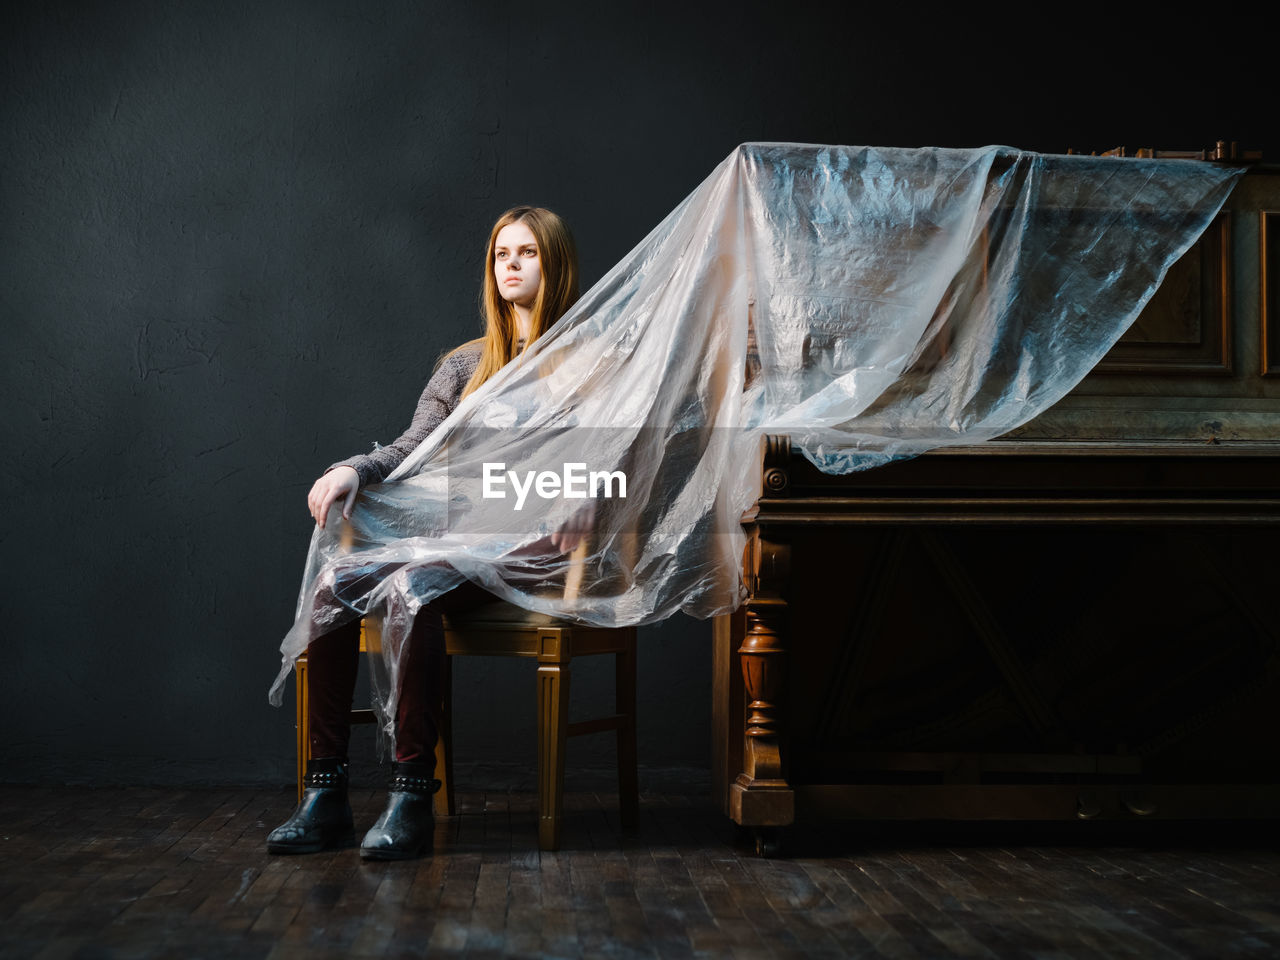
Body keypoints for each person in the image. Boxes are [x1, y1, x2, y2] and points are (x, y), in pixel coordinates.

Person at [267, 206, 583, 860]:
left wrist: (582, 496)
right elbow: (413, 447)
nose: (511, 266)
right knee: (333, 585)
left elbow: (614, 458)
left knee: (411, 588)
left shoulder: (591, 365)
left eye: (527, 253)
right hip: (458, 547)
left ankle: (412, 794)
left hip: (539, 550)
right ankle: (325, 796)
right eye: (501, 254)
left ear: (556, 265)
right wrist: (352, 469)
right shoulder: (466, 365)